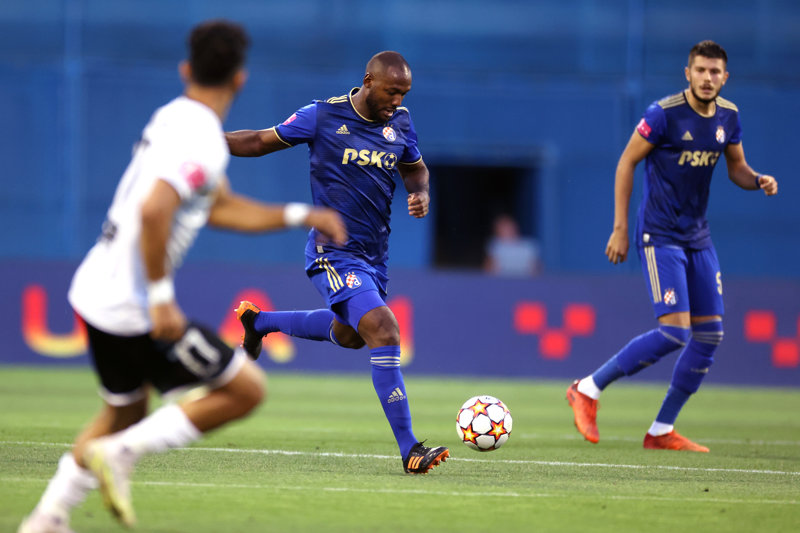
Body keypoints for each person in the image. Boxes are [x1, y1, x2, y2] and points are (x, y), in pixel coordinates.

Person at [18, 20, 346, 533]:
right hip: (131, 303)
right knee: (245, 390)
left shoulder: (173, 117)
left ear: (185, 69)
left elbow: (216, 206)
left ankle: (47, 518)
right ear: (240, 79)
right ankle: (121, 455)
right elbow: (155, 210)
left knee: (123, 414)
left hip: (96, 288)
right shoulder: (202, 139)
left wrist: (299, 215)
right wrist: (160, 296)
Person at [225, 51, 449, 474]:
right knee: (385, 330)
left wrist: (420, 192)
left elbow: (415, 170)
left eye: (403, 93)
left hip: (374, 257)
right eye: (391, 91)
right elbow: (258, 141)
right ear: (368, 80)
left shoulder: (400, 123)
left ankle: (259, 322)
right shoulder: (322, 116)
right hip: (333, 253)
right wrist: (205, 142)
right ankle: (410, 449)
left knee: (351, 337)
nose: (397, 101)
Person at [566, 40, 778, 452]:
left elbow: (736, 168)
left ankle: (661, 430)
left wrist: (757, 180)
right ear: (687, 73)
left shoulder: (729, 117)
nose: (707, 78)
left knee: (710, 334)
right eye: (700, 70)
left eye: (714, 72)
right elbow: (627, 162)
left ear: (725, 77)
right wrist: (620, 228)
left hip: (698, 236)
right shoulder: (662, 114)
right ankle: (587, 388)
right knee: (675, 332)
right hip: (660, 234)